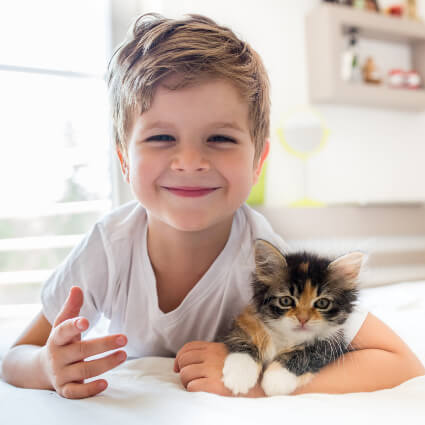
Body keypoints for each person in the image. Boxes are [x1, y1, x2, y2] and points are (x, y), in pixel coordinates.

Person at [2, 13, 424, 399]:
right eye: (161, 138)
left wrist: (261, 381)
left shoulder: (264, 258)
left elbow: (398, 360)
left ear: (258, 162)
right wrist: (46, 365)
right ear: (124, 160)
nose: (189, 163)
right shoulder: (109, 246)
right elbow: (16, 355)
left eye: (220, 139)